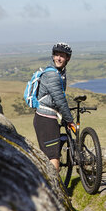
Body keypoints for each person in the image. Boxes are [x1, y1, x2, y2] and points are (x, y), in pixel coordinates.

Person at [33, 42, 75, 170]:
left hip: (47, 118)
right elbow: (60, 100)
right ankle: (56, 189)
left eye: (62, 56)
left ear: (67, 58)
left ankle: (50, 186)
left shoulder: (60, 73)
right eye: (56, 55)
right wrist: (69, 120)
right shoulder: (52, 75)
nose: (58, 58)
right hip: (45, 119)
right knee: (53, 157)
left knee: (49, 155)